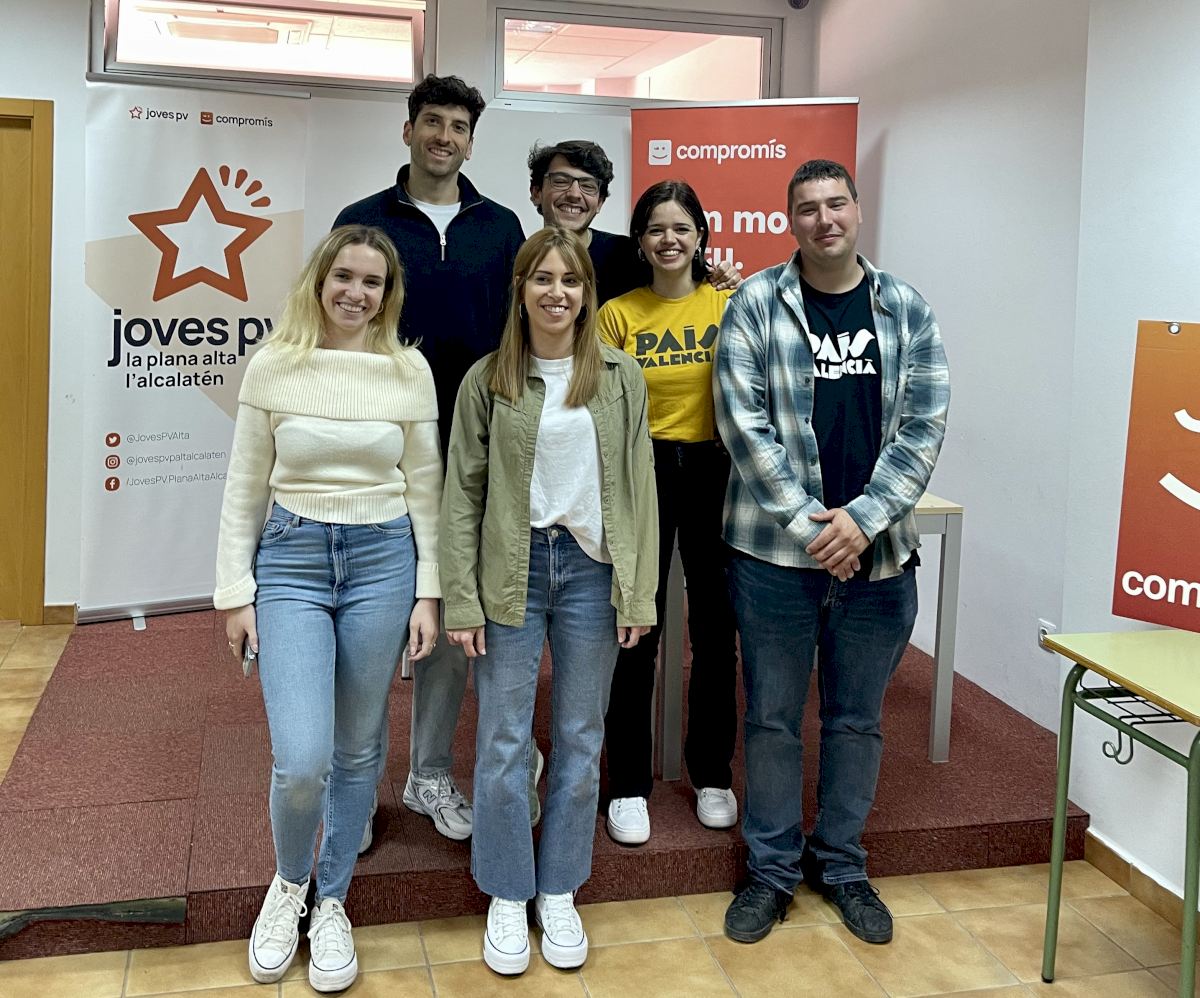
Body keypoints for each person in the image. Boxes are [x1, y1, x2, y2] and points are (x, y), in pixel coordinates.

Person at [714, 159, 950, 947]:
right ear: (791, 221)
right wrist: (816, 528)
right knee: (772, 719)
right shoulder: (754, 303)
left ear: (857, 209)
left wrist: (866, 520)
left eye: (836, 204)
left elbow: (923, 428)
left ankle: (841, 865)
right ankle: (771, 871)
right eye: (808, 208)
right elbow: (742, 425)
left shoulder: (907, 309)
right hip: (774, 561)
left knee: (856, 721)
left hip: (878, 562)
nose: (824, 220)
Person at [214, 225, 443, 990]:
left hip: (384, 561)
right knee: (303, 759)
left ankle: (334, 896)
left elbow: (426, 488)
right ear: (320, 280)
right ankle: (290, 886)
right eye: (344, 276)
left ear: (389, 294)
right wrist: (235, 593)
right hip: (292, 561)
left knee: (357, 749)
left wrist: (430, 590)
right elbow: (244, 486)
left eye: (372, 282)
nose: (356, 292)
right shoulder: (275, 365)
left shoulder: (408, 372)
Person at [440, 227, 658, 976]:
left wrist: (639, 592)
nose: (556, 293)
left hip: (594, 571)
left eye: (570, 280)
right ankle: (508, 889)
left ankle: (559, 885)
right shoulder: (488, 380)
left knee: (579, 734)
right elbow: (462, 495)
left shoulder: (622, 378)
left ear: (587, 293)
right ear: (521, 290)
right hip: (514, 568)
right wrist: (461, 600)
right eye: (542, 279)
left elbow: (640, 488)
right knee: (503, 738)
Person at [335, 74, 524, 843]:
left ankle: (430, 774)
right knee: (374, 625)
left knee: (449, 616)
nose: (445, 136)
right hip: (382, 451)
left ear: (471, 143)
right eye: (433, 122)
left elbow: (519, 335)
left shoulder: (501, 227)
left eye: (459, 126)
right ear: (408, 130)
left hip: (473, 454)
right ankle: (358, 788)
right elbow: (337, 326)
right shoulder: (362, 221)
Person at [596, 180, 739, 846]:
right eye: (656, 228)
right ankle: (627, 784)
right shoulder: (617, 315)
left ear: (701, 236)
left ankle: (712, 773)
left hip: (716, 469)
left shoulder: (731, 303)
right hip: (642, 472)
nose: (669, 239)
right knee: (636, 628)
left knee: (716, 628)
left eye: (682, 227)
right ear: (640, 240)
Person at [528, 140, 742, 305]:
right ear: (536, 192)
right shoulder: (520, 256)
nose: (574, 194)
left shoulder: (628, 254)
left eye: (588, 186)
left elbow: (690, 276)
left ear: (600, 202)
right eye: (560, 181)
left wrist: (726, 276)